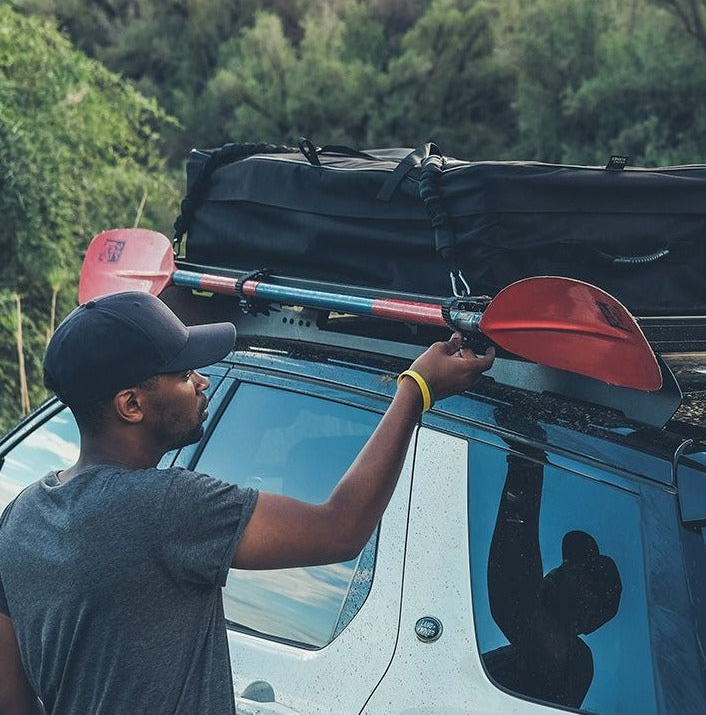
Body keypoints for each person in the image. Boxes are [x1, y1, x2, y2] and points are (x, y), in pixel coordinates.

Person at [0, 291, 494, 715]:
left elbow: (12, 701)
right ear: (131, 404)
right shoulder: (165, 507)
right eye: (184, 372)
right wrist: (416, 389)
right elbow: (341, 529)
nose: (203, 380)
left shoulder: (19, 517)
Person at [484, 450, 622, 709]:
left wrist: (526, 462)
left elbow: (513, 600)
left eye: (580, 572)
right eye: (564, 562)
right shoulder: (523, 652)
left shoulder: (573, 659)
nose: (559, 570)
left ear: (588, 617)